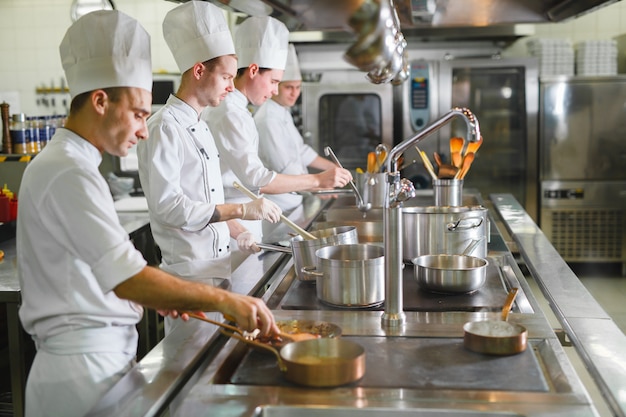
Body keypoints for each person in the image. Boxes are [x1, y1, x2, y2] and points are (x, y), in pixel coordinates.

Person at [16, 10, 278, 417]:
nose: (143, 130)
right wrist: (228, 302)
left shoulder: (74, 164)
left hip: (101, 361)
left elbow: (107, 271)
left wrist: (165, 296)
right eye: (139, 114)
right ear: (101, 101)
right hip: (80, 374)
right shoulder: (66, 170)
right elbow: (128, 278)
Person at [136, 1, 281, 309]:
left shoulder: (200, 126)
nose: (232, 86)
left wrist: (238, 232)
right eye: (227, 77)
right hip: (188, 276)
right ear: (199, 70)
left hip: (217, 267)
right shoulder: (164, 127)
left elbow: (205, 202)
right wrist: (240, 211)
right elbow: (170, 208)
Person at [203, 16, 352, 245]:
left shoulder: (239, 110)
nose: (275, 91)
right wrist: (317, 181)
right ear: (253, 70)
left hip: (242, 224)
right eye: (274, 82)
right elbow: (258, 179)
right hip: (232, 228)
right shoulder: (230, 112)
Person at [255, 43, 339, 213]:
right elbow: (285, 167)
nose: (295, 93)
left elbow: (301, 151)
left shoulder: (283, 112)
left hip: (294, 198)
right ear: (276, 86)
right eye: (289, 87)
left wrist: (335, 169)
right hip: (278, 206)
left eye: (298, 87)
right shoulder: (267, 119)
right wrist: (317, 184)